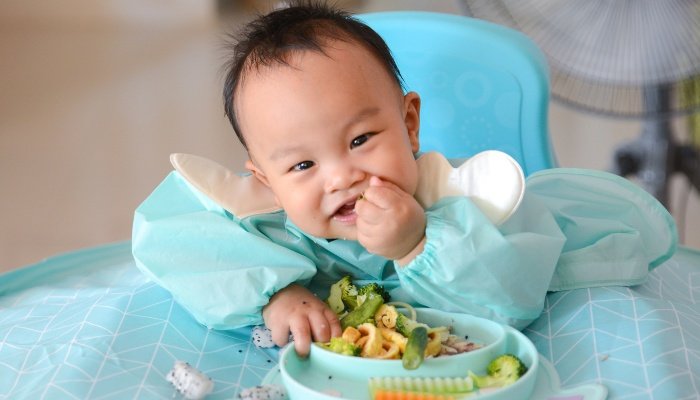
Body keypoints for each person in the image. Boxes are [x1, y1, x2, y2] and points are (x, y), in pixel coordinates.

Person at [132, 2, 677, 357]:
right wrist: (275, 294)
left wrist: (419, 244)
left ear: (409, 123)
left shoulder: (462, 209)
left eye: (360, 140)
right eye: (302, 166)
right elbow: (167, 237)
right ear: (267, 182)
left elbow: (508, 302)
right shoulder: (269, 230)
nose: (343, 176)